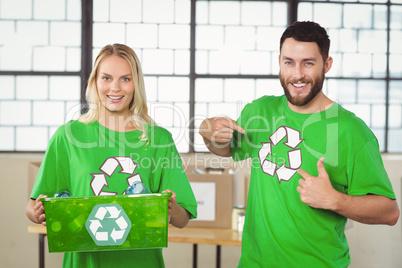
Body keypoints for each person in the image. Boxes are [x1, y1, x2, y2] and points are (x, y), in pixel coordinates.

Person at [199, 21, 399, 267]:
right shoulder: (259, 111)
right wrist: (207, 132)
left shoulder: (351, 131)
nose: (297, 74)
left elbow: (389, 212)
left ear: (326, 65)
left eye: (308, 63)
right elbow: (225, 150)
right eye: (289, 62)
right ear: (280, 62)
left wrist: (335, 200)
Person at [26, 43, 197, 268]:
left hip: (141, 262)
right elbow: (32, 206)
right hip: (84, 262)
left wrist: (172, 209)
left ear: (136, 84)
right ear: (95, 81)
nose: (115, 88)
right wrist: (38, 213)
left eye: (125, 79)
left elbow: (183, 219)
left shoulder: (159, 139)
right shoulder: (68, 136)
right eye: (106, 78)